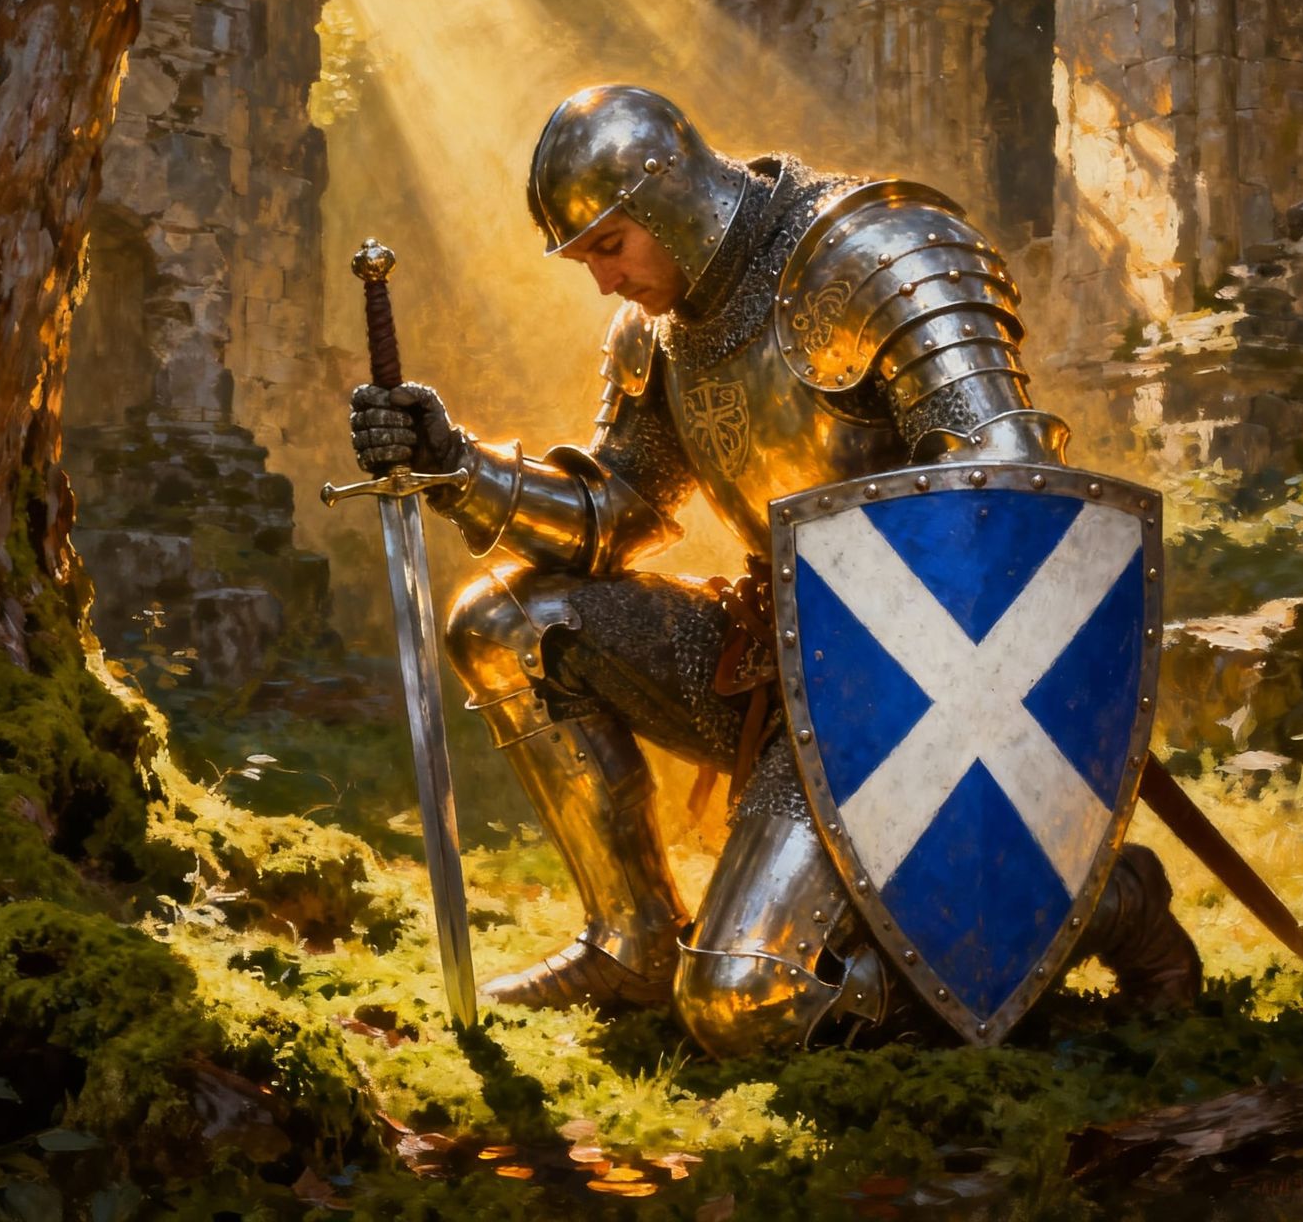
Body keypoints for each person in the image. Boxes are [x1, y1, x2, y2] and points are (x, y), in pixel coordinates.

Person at [350, 85, 1200, 1057]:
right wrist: (460, 464)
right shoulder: (657, 336)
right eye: (585, 258)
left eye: (609, 246)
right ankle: (629, 938)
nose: (601, 282)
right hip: (775, 660)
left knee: (743, 1004)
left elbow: (1013, 497)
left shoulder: (875, 257)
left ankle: (1105, 901)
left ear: (666, 198)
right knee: (506, 619)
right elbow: (613, 515)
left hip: (914, 704)